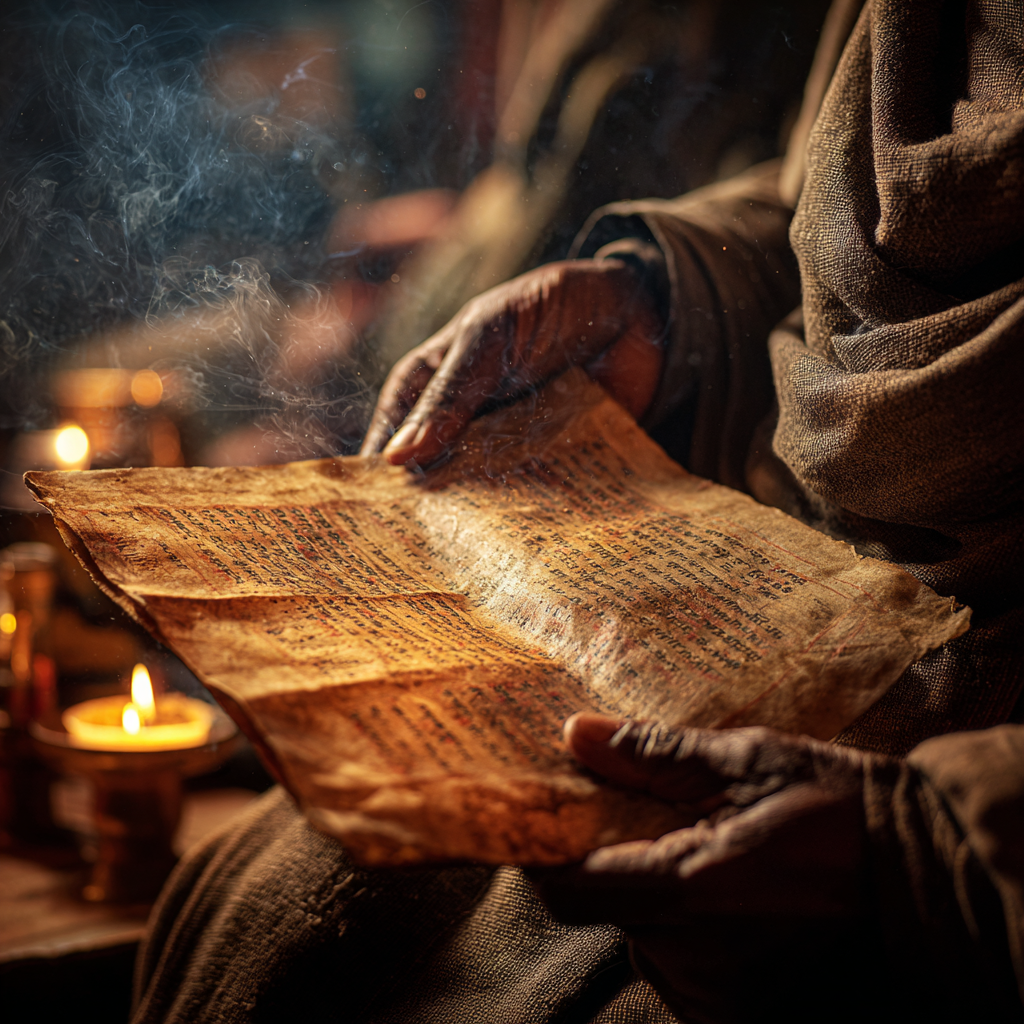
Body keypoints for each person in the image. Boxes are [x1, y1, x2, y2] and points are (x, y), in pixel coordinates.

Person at [132, 1, 1024, 1021]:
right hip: (788, 617)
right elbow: (813, 210)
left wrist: (921, 855)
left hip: (943, 817)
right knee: (257, 896)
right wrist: (653, 301)